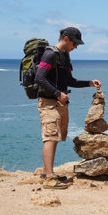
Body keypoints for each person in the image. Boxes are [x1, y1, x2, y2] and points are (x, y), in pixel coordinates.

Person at [35, 27, 101, 189]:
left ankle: (46, 172)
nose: (76, 47)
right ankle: (49, 179)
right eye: (75, 43)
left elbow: (70, 81)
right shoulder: (50, 54)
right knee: (50, 137)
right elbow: (39, 78)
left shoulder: (64, 56)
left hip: (60, 102)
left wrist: (89, 83)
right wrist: (58, 93)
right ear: (66, 39)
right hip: (49, 102)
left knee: (56, 136)